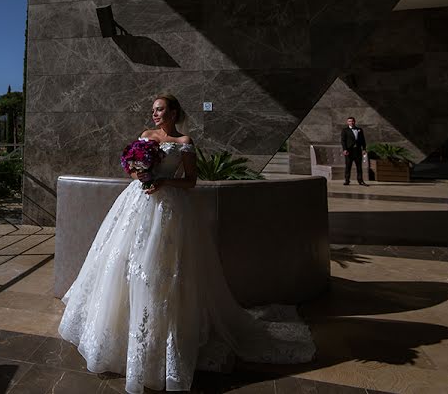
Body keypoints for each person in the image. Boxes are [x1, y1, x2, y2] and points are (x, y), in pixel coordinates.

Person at [59, 93, 315, 393]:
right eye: (153, 110)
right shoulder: (145, 136)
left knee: (162, 271)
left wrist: (165, 181)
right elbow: (130, 167)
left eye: (160, 109)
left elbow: (191, 181)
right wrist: (137, 171)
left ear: (174, 112)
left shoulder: (184, 143)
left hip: (169, 210)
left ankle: (163, 339)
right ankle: (120, 335)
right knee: (122, 263)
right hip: (136, 203)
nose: (155, 114)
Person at [340, 116, 367, 186]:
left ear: (354, 122)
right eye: (349, 121)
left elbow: (363, 140)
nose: (351, 122)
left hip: (357, 151)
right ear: (347, 122)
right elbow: (343, 141)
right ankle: (347, 180)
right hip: (349, 151)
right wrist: (345, 149)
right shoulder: (345, 130)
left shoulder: (359, 130)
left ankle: (360, 181)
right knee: (348, 166)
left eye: (352, 121)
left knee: (359, 167)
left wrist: (364, 149)